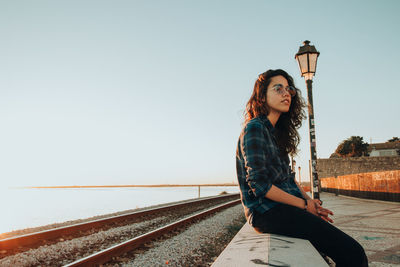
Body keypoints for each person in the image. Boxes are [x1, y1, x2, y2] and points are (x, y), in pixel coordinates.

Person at [236, 69, 368, 267]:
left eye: (289, 89)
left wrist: (310, 202)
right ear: (262, 95)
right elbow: (260, 185)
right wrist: (305, 206)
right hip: (266, 212)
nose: (286, 93)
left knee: (339, 253)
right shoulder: (255, 128)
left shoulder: (275, 133)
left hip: (284, 208)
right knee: (354, 253)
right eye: (278, 88)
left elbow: (288, 178)